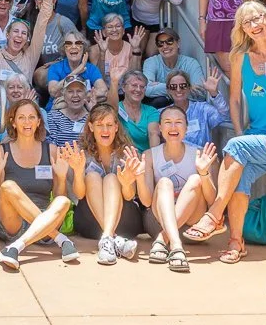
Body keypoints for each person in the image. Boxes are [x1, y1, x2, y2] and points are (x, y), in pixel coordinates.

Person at [181, 2, 266, 262]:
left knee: (236, 147)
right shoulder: (240, 56)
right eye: (247, 22)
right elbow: (235, 99)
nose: (255, 25)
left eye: (258, 18)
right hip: (257, 138)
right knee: (238, 175)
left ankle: (215, 216)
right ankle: (235, 242)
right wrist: (240, 132)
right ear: (242, 29)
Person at [0, 100, 85, 270]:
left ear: (39, 121)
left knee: (63, 201)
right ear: (13, 121)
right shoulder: (3, 150)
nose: (27, 122)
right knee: (8, 186)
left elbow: (57, 196)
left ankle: (16, 247)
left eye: (32, 117)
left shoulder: (51, 150)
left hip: (44, 217)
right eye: (22, 117)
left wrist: (62, 178)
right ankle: (59, 238)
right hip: (14, 223)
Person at [138, 105, 218, 273]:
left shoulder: (199, 153)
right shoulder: (150, 155)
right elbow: (146, 201)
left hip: (191, 228)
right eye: (167, 122)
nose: (173, 127)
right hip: (158, 221)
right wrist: (139, 176)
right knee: (165, 182)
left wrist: (204, 173)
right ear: (160, 128)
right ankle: (176, 246)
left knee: (196, 179)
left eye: (178, 122)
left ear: (186, 128)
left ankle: (166, 239)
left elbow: (211, 201)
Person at [77, 103, 142, 264]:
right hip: (90, 220)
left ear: (116, 127)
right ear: (91, 127)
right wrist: (78, 172)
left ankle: (107, 239)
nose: (105, 130)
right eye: (99, 125)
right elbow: (78, 194)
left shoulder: (127, 152)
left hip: (125, 220)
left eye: (109, 125)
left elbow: (129, 196)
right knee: (91, 176)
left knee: (111, 178)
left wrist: (126, 183)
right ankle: (112, 239)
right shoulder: (82, 154)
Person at [163, 68, 232, 150]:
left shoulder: (202, 109)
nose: (178, 90)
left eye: (183, 86)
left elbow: (225, 117)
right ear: (168, 90)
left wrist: (214, 93)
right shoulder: (162, 114)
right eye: (173, 87)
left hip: (202, 159)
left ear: (189, 88)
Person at [45, 31, 106, 103]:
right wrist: (76, 72)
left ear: (84, 48)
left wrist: (75, 98)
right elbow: (53, 92)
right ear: (64, 48)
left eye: (78, 43)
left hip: (84, 110)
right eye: (69, 44)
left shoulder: (91, 68)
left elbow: (103, 91)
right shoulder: (55, 68)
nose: (73, 46)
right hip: (57, 110)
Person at [143, 28, 205, 98]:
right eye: (160, 43)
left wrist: (161, 87)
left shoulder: (191, 63)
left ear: (178, 43)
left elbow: (200, 94)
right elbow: (146, 90)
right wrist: (186, 87)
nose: (165, 46)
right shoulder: (151, 62)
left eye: (169, 41)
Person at [91, 15, 146, 84]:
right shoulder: (94, 50)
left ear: (123, 30)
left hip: (126, 86)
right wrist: (102, 53)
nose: (114, 30)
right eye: (110, 27)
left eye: (118, 26)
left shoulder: (132, 48)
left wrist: (135, 49)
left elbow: (135, 76)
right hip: (105, 87)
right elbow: (98, 78)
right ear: (104, 32)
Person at [45, 74, 93, 147]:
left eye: (79, 91)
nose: (75, 95)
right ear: (64, 95)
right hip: (60, 157)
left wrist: (93, 112)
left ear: (85, 95)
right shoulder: (53, 116)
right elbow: (51, 145)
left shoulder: (92, 118)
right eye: (70, 91)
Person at [116, 70, 157, 151]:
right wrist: (114, 82)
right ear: (123, 87)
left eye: (142, 87)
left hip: (145, 158)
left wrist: (154, 158)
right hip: (121, 158)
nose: (138, 89)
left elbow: (154, 134)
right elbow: (110, 107)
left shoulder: (151, 111)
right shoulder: (117, 108)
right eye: (134, 85)